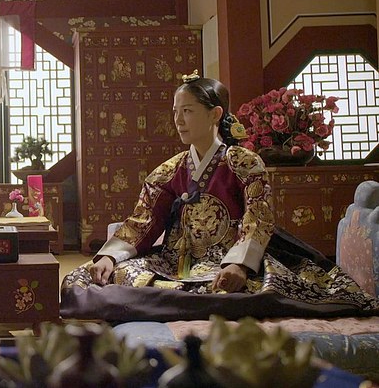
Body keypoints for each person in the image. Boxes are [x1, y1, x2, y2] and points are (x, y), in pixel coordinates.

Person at [60, 72, 378, 321]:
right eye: (175, 112)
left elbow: (258, 219)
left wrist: (239, 265)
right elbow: (143, 221)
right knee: (92, 277)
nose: (178, 120)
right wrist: (109, 256)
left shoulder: (244, 163)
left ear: (215, 114)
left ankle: (189, 296)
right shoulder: (169, 170)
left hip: (230, 259)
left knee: (258, 287)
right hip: (179, 261)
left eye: (187, 111)